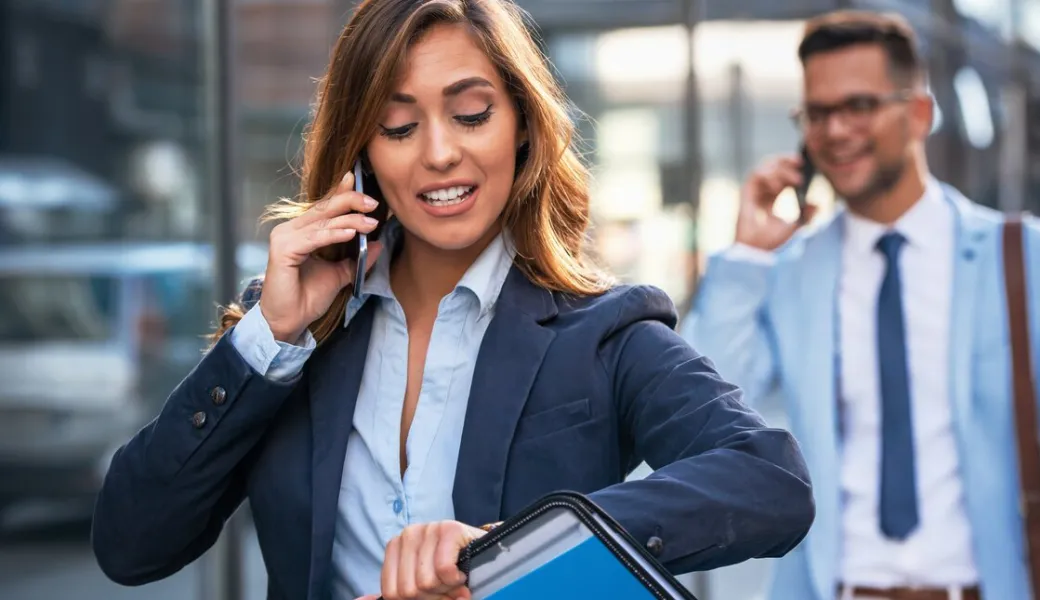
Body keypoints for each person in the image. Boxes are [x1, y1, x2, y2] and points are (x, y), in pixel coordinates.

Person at [90, 1, 816, 599]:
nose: (438, 152)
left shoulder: (603, 331)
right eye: (398, 126)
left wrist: (519, 550)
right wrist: (270, 336)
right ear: (362, 150)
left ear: (522, 128)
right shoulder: (293, 336)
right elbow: (130, 544)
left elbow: (770, 480)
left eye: (471, 114)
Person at [682, 10, 1040, 600]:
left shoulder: (1026, 255)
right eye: (817, 113)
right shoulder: (791, 269)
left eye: (859, 106)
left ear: (919, 113)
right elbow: (706, 406)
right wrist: (747, 256)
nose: (835, 130)